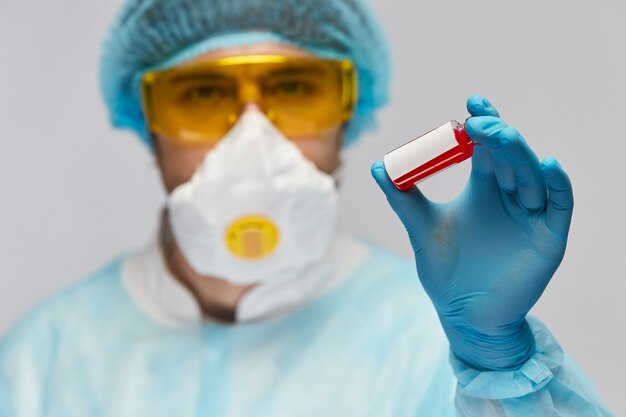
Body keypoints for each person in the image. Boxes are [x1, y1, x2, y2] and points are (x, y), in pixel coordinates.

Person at [0, 1, 614, 416]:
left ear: (350, 109)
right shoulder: (44, 359)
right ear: (147, 119)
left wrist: (497, 361)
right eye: (202, 94)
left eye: (294, 89)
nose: (253, 141)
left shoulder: (431, 344)